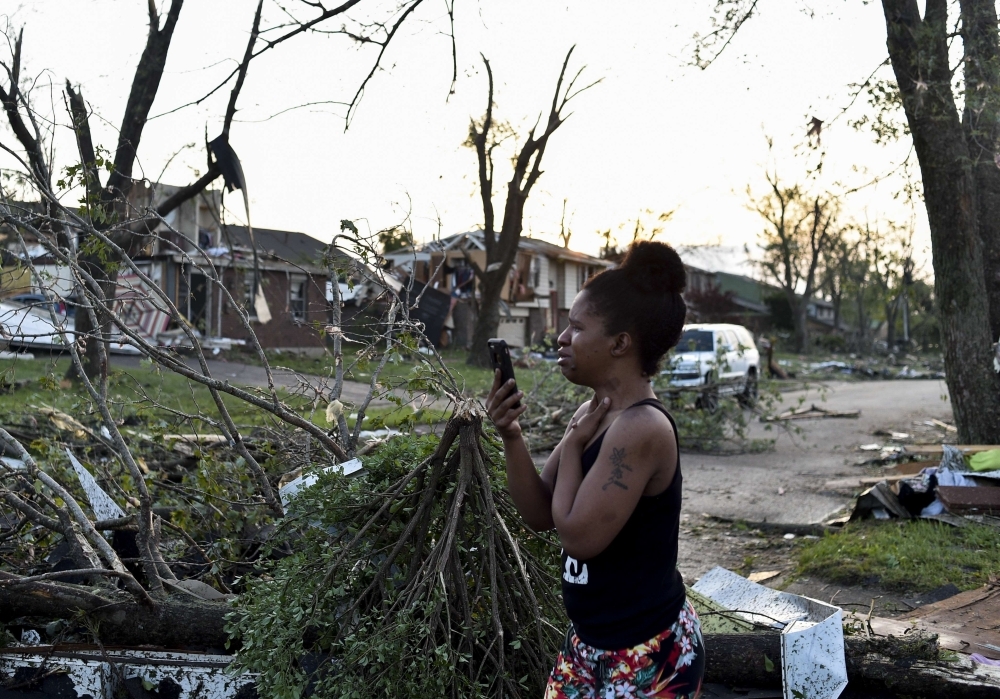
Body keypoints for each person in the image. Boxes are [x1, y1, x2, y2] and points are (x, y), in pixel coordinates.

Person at [486, 241, 704, 699]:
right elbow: (540, 513)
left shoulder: (641, 428)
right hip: (590, 645)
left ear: (620, 343)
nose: (562, 339)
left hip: (646, 653)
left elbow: (578, 537)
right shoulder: (596, 412)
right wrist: (512, 434)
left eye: (575, 327)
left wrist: (572, 449)